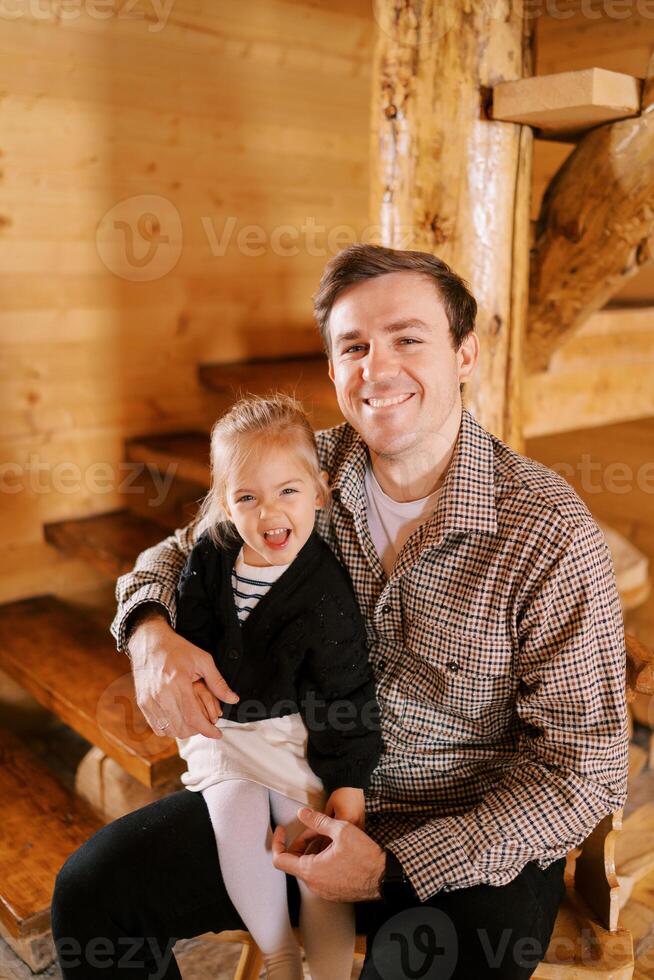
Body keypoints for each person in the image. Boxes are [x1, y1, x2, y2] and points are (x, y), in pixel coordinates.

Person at [51, 244, 629, 980]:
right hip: (295, 790)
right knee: (95, 893)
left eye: (408, 339)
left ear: (464, 356)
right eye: (354, 346)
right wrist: (148, 633)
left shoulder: (548, 532)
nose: (377, 368)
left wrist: (391, 868)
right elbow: (173, 553)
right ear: (333, 371)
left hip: (464, 836)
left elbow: (582, 770)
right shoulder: (298, 471)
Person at [172, 393, 381, 980]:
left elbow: (346, 693)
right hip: (225, 731)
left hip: (292, 738)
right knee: (235, 818)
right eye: (247, 498)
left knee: (309, 844)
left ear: (318, 490)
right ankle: (281, 956)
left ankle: (331, 970)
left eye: (288, 491)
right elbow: (191, 632)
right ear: (223, 505)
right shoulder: (211, 557)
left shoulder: (323, 591)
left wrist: (348, 780)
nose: (270, 514)